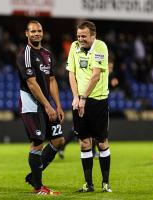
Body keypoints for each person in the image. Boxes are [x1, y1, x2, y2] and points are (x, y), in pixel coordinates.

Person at [16, 20, 65, 195]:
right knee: (37, 144)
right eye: (33, 31)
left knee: (59, 141)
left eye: (39, 31)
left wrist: (57, 105)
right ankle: (39, 187)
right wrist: (47, 106)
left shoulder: (47, 54)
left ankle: (34, 175)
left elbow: (52, 80)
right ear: (26, 34)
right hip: (32, 105)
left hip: (47, 105)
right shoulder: (25, 54)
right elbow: (31, 83)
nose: (36, 34)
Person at [66, 21, 112, 192]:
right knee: (84, 142)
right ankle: (89, 184)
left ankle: (105, 183)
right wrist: (76, 97)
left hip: (98, 100)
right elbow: (71, 73)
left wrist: (83, 98)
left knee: (101, 142)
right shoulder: (74, 47)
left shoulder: (100, 47)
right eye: (78, 36)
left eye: (84, 36)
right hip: (80, 100)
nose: (80, 39)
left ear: (93, 35)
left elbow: (96, 76)